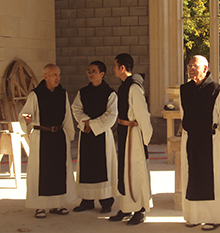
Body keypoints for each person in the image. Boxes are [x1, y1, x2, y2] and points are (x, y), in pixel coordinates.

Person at [18, 64, 77, 218]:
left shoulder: (62, 93)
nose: (58, 78)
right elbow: (24, 114)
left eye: (58, 74)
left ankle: (57, 204)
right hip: (41, 136)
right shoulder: (35, 95)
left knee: (58, 171)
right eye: (54, 75)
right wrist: (27, 120)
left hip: (58, 136)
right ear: (45, 76)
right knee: (40, 172)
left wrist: (69, 135)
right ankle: (39, 207)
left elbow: (67, 116)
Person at [180, 55, 220, 231]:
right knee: (190, 177)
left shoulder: (216, 90)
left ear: (205, 68)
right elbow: (183, 113)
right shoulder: (184, 89)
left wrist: (219, 140)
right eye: (189, 65)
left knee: (211, 178)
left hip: (210, 140)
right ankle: (193, 216)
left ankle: (213, 217)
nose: (191, 68)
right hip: (190, 138)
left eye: (195, 65)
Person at [109, 53, 153, 225]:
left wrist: (145, 138)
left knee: (135, 171)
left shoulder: (134, 87)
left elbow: (142, 113)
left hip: (133, 134)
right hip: (124, 131)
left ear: (122, 68)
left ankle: (139, 209)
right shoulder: (125, 86)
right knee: (124, 171)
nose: (113, 68)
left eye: (114, 65)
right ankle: (126, 206)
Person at [71, 61, 118, 214]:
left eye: (94, 71)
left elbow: (112, 114)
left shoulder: (110, 93)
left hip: (102, 135)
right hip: (86, 134)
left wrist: (94, 125)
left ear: (102, 74)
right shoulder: (82, 92)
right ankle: (87, 201)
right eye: (88, 71)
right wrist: (86, 123)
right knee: (86, 166)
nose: (90, 74)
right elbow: (76, 108)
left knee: (103, 167)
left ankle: (106, 202)